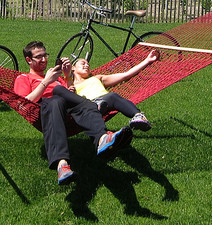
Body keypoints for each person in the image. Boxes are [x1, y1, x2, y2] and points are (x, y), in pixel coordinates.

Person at [14, 41, 134, 185]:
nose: (44, 60)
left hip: (69, 109)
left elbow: (72, 92)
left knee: (70, 97)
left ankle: (102, 138)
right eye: (39, 57)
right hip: (45, 108)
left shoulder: (57, 79)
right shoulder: (23, 78)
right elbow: (23, 104)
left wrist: (67, 76)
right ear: (28, 60)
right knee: (57, 97)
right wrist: (46, 82)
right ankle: (62, 164)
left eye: (45, 55)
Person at [69, 49, 160, 132]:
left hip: (105, 102)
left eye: (88, 64)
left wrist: (147, 60)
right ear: (73, 68)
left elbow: (125, 75)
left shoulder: (97, 78)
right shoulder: (70, 85)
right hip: (88, 107)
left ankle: (138, 116)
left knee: (112, 96)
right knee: (109, 97)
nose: (87, 65)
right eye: (83, 63)